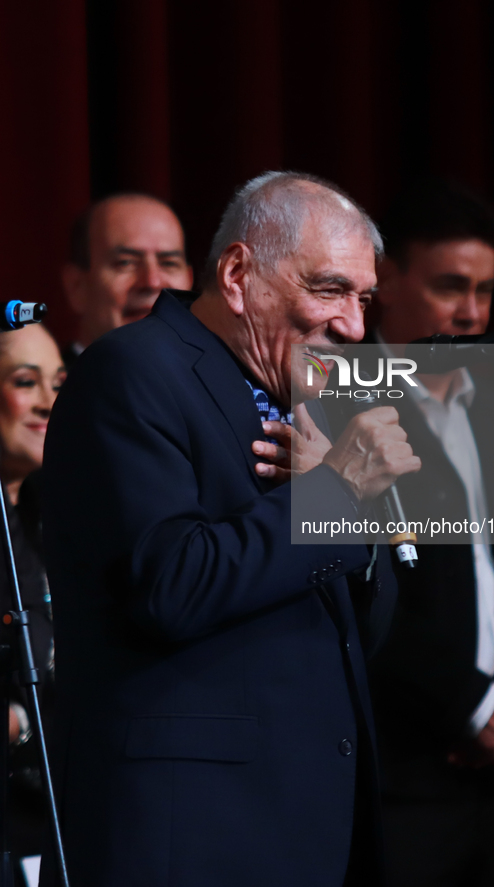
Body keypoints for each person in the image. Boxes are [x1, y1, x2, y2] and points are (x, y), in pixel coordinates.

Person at [40, 171, 421, 887]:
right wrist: (332, 493)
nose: (353, 325)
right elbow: (169, 585)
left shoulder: (307, 400)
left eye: (363, 298)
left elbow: (353, 634)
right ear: (239, 274)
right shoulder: (132, 371)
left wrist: (349, 517)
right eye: (330, 289)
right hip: (196, 835)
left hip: (305, 826)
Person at [367, 179, 494, 886]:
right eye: (449, 286)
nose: (470, 312)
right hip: (402, 775)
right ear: (385, 278)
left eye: (483, 289)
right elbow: (360, 591)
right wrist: (469, 703)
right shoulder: (337, 399)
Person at [0, 324, 65, 870]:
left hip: (49, 827)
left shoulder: (51, 515)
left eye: (58, 383)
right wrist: (20, 719)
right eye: (26, 381)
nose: (49, 402)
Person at [61, 193, 193, 366]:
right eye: (125, 263)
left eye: (169, 263)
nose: (152, 282)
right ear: (76, 287)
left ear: (190, 281)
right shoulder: (52, 391)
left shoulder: (219, 383)